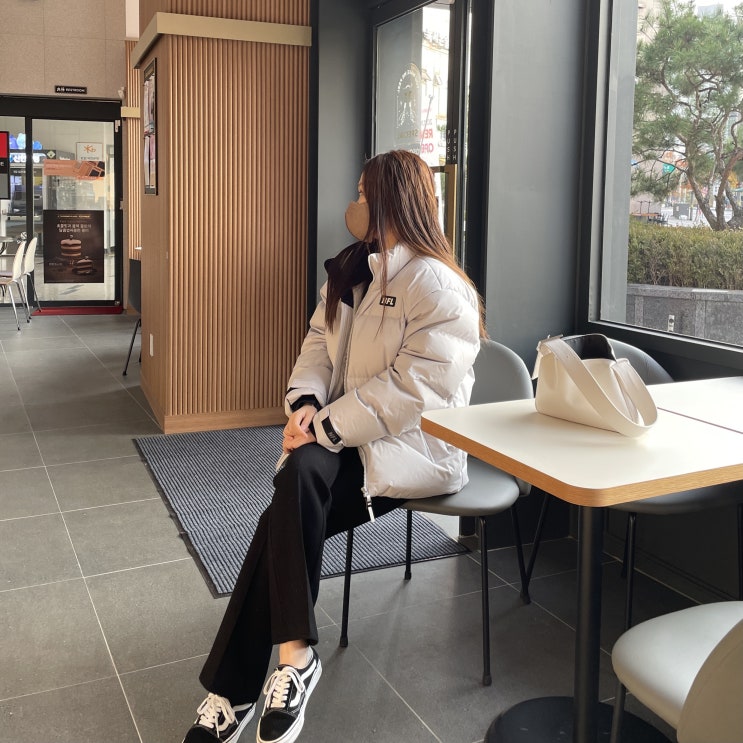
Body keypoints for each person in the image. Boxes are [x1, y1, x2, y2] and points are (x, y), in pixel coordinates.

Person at [182, 149, 485, 743]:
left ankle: (232, 693)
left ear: (394, 199)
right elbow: (318, 344)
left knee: (285, 511)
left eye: (363, 193)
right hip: (345, 437)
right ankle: (294, 659)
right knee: (296, 486)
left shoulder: (440, 286)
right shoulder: (351, 268)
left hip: (411, 453)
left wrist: (320, 428)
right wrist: (305, 404)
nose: (355, 203)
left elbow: (413, 391)